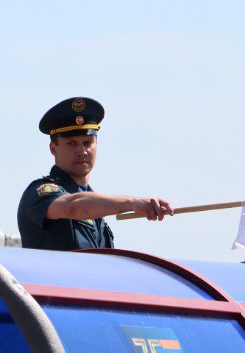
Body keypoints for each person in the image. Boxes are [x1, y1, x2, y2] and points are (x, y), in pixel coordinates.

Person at [18, 97, 174, 250]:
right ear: (53, 148)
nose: (82, 151)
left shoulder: (98, 207)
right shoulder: (40, 192)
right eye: (71, 143)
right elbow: (74, 207)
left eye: (87, 143)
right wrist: (132, 203)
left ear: (96, 144)